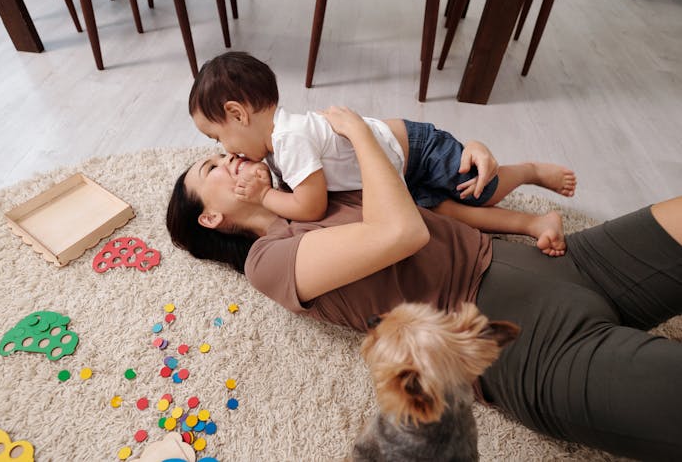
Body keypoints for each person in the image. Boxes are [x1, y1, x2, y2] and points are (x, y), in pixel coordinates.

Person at [167, 106, 682, 461]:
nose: (229, 156)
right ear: (211, 218)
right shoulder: (269, 262)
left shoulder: (306, 182)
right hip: (524, 347)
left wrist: (473, 150)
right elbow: (402, 231)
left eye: (223, 150)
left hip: (564, 263)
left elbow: (407, 150)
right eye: (212, 165)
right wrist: (360, 136)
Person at [188, 52, 577, 256]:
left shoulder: (289, 139)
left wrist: (263, 196)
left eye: (217, 137)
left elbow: (310, 207)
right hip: (396, 173)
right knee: (451, 214)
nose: (225, 151)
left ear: (237, 114)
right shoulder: (275, 147)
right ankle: (533, 223)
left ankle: (527, 171)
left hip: (417, 150)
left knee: (479, 189)